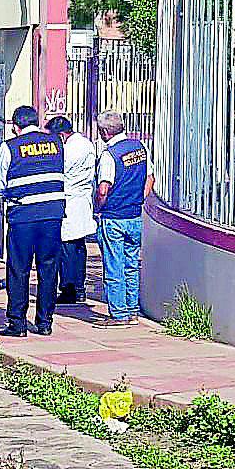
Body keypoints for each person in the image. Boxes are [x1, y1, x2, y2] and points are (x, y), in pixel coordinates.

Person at [0, 105, 65, 338]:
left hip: (23, 216)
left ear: (15, 126)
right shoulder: (56, 143)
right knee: (49, 268)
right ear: (37, 121)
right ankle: (45, 322)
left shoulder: (9, 146)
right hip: (52, 214)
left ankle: (17, 323)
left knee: (19, 268)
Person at [94, 111, 155, 328]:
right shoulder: (140, 147)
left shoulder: (109, 155)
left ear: (104, 132)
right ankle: (132, 311)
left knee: (113, 266)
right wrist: (139, 199)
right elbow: (150, 178)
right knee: (131, 264)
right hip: (134, 215)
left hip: (113, 217)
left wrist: (99, 209)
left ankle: (118, 314)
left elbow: (103, 189)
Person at [46, 116, 97, 304]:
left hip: (70, 200)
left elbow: (59, 170)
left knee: (67, 248)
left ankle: (69, 289)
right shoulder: (86, 143)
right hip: (81, 201)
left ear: (61, 135)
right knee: (78, 248)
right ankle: (79, 287)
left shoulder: (70, 149)